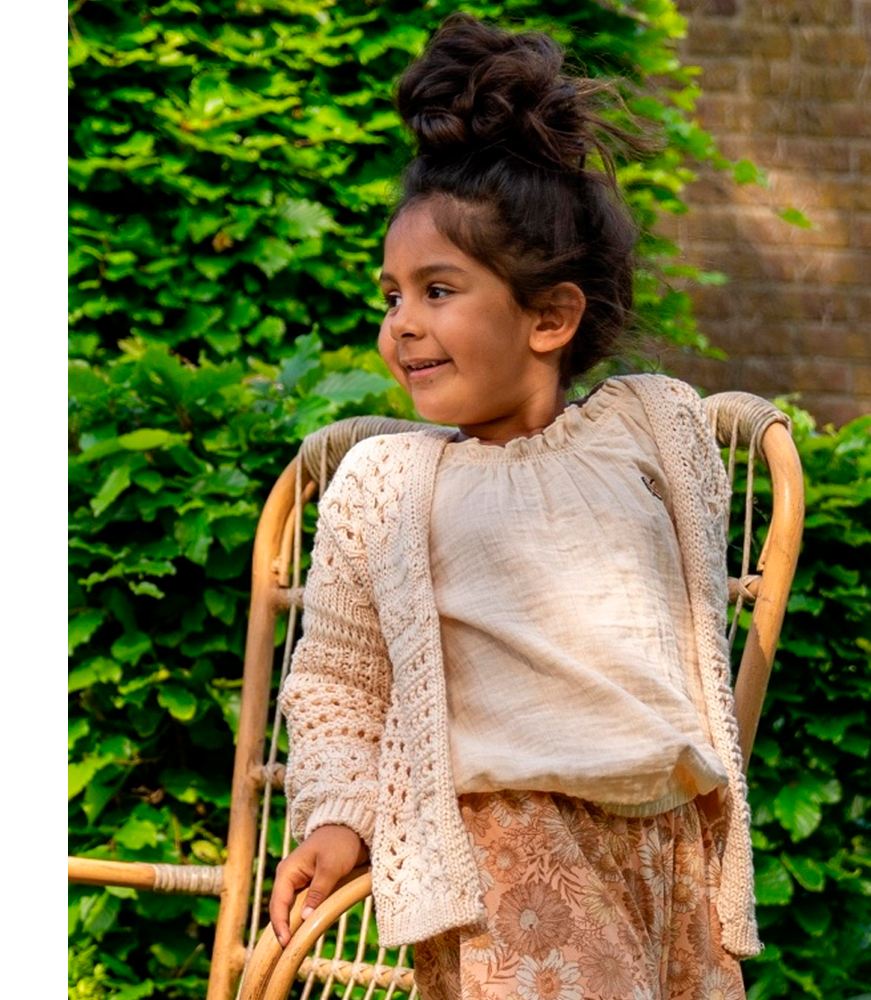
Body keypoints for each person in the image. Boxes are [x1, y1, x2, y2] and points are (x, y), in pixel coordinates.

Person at [269, 14, 760, 999]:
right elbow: (338, 685)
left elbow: (697, 608)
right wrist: (339, 818)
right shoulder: (385, 484)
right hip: (506, 867)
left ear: (550, 316)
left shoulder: (650, 429)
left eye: (437, 290)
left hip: (667, 855)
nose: (401, 325)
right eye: (392, 295)